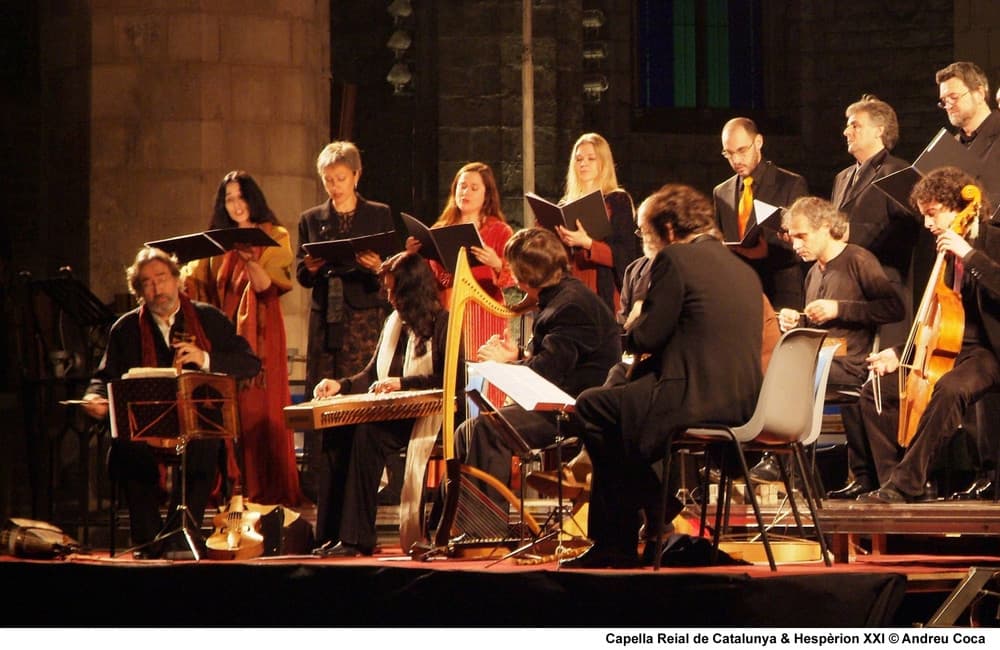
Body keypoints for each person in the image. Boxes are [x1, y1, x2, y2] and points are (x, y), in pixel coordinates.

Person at [567, 184, 764, 569]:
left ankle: (635, 527)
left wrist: (636, 320)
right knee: (618, 406)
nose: (645, 240)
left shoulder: (675, 260)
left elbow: (647, 336)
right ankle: (637, 527)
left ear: (670, 230)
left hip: (692, 397)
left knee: (593, 406)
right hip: (742, 401)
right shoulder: (743, 270)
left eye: (646, 232)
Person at [81, 247, 261, 557]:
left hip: (195, 421)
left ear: (177, 279)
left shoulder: (208, 318)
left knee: (206, 442)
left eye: (162, 278)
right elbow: (104, 376)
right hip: (147, 424)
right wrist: (93, 396)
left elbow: (249, 363)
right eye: (147, 283)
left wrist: (204, 358)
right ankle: (149, 538)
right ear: (138, 291)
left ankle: (183, 532)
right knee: (127, 446)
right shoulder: (125, 328)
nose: (157, 288)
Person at [856, 167, 1000, 504]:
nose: (927, 224)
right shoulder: (941, 253)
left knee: (948, 388)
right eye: (924, 215)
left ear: (959, 207)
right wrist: (898, 351)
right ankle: (897, 484)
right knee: (875, 391)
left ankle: (905, 483)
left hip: (988, 351)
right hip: (948, 349)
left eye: (933, 213)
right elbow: (935, 318)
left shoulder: (992, 240)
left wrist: (970, 254)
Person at [455, 227, 620, 509]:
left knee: (486, 428)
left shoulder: (569, 306)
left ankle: (485, 529)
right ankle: (460, 522)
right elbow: (556, 359)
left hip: (574, 409)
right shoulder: (561, 297)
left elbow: (547, 374)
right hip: (559, 399)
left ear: (522, 279)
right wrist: (518, 355)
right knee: (466, 430)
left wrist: (506, 364)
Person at [310, 252, 450, 557]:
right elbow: (373, 373)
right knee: (338, 428)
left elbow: (448, 380)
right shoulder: (394, 323)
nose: (389, 298)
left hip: (429, 416)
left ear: (412, 291)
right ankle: (329, 534)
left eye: (393, 291)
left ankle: (357, 538)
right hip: (393, 411)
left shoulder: (442, 323)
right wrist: (341, 385)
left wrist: (404, 384)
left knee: (367, 433)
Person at [182, 170, 303, 506]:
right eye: (230, 198)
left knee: (256, 407)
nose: (236, 204)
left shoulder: (273, 235)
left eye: (241, 197)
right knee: (224, 409)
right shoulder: (215, 242)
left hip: (262, 333)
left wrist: (250, 261)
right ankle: (228, 485)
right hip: (222, 333)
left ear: (254, 199)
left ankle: (262, 487)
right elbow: (196, 283)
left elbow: (268, 289)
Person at [776, 197, 904, 498]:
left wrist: (839, 308)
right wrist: (799, 321)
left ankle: (775, 455)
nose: (795, 245)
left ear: (824, 228)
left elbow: (893, 308)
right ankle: (862, 476)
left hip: (853, 363)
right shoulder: (813, 272)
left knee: (784, 374)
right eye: (792, 237)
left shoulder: (858, 259)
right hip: (826, 359)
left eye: (802, 236)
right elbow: (819, 327)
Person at [296, 141, 395, 515]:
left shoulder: (378, 214)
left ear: (356, 175)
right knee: (324, 391)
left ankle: (368, 479)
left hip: (364, 315)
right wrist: (314, 267)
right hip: (328, 316)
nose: (335, 186)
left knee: (359, 388)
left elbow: (390, 267)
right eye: (328, 180)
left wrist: (375, 266)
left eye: (340, 178)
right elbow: (302, 273)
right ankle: (322, 479)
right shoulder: (312, 218)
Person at [934, 62, 1000, 499]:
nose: (948, 106)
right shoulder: (954, 147)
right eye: (943, 101)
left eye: (954, 96)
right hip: (966, 264)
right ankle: (985, 469)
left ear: (981, 92)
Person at [832, 94, 918, 349]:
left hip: (883, 289)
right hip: (847, 287)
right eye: (848, 125)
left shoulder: (900, 171)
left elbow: (906, 234)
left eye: (855, 125)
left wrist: (851, 233)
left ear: (879, 130)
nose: (846, 131)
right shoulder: (842, 177)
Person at [713, 117, 809, 311]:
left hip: (780, 292)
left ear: (758, 142)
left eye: (742, 150)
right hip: (739, 291)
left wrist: (765, 251)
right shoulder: (721, 192)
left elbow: (804, 245)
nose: (736, 160)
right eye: (729, 154)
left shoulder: (790, 184)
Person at [554, 133, 641, 314]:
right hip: (569, 289)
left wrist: (587, 243)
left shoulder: (617, 200)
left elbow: (626, 254)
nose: (583, 163)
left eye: (591, 158)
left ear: (603, 162)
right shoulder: (564, 204)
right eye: (578, 159)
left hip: (602, 290)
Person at [413, 161, 514, 306]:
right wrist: (413, 254)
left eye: (474, 188)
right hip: (447, 309)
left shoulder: (500, 231)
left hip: (486, 310)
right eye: (462, 186)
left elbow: (516, 277)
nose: (466, 192)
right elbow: (424, 277)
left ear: (486, 194)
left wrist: (497, 264)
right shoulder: (439, 229)